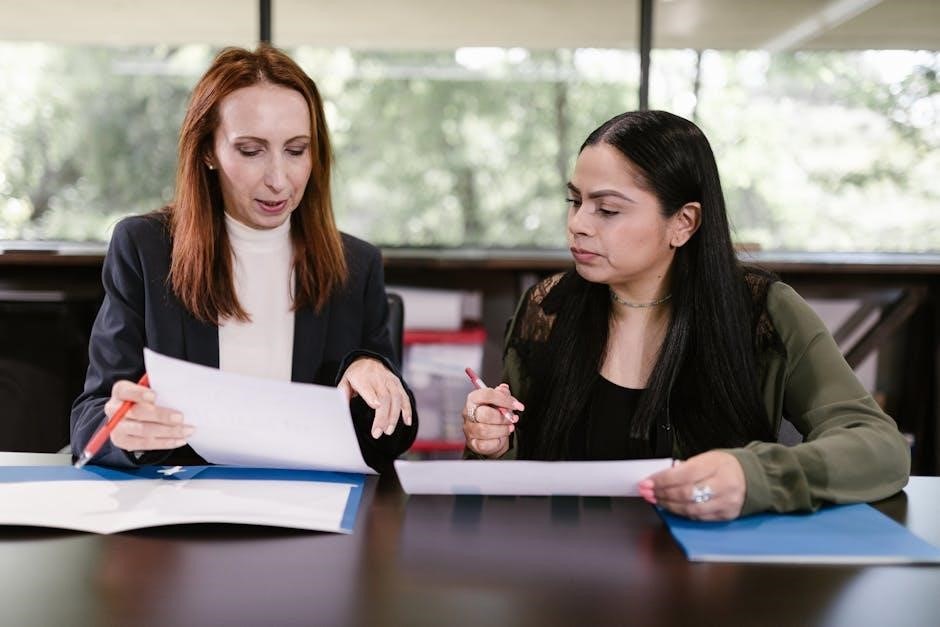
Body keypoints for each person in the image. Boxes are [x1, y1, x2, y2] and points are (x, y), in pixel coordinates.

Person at [461, 110, 910, 520]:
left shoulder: (763, 311)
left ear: (684, 222)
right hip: (568, 568)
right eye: (575, 202)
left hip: (711, 570)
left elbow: (880, 448)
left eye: (608, 209)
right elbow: (514, 480)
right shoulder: (548, 307)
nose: (578, 223)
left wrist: (753, 476)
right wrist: (493, 444)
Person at [71, 44, 416, 471]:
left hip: (306, 500)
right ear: (208, 152)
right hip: (182, 499)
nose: (278, 179)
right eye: (251, 151)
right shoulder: (146, 249)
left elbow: (391, 439)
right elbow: (91, 418)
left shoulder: (355, 265)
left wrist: (374, 379)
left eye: (296, 150)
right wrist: (124, 432)